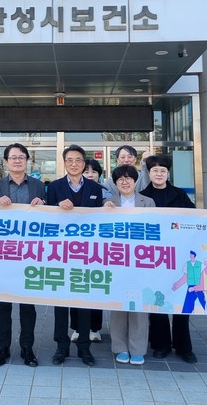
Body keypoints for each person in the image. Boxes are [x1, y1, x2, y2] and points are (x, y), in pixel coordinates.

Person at [0, 143, 45, 367]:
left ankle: (27, 348)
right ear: (6, 162)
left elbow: (49, 218)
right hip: (3, 254)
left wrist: (43, 204)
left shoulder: (39, 186)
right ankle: (3, 348)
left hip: (30, 254)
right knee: (2, 305)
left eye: (22, 157)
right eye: (13, 157)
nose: (17, 160)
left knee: (28, 305)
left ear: (27, 160)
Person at [47, 145, 104, 367]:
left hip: (86, 255)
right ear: (64, 163)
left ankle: (84, 347)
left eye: (78, 160)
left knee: (84, 301)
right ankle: (61, 347)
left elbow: (100, 218)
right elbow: (45, 217)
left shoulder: (95, 187)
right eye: (69, 160)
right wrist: (56, 206)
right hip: (60, 254)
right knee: (60, 302)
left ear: (84, 163)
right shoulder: (54, 187)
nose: (74, 164)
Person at [140, 153, 198, 364]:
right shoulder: (142, 197)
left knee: (181, 300)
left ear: (168, 173)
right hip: (153, 257)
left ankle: (183, 346)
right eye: (155, 170)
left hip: (178, 254)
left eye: (162, 170)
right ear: (149, 173)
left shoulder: (179, 194)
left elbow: (194, 217)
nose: (159, 174)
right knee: (157, 300)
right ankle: (161, 344)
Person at [104, 164, 155, 366]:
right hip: (116, 261)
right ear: (115, 183)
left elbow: (156, 229)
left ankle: (138, 349)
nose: (124, 182)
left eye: (128, 178)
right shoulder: (108, 203)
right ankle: (120, 347)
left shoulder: (148, 202)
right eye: (120, 179)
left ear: (135, 181)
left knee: (139, 308)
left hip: (141, 262)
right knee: (118, 306)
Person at [66, 158, 110, 345]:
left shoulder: (103, 191)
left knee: (95, 288)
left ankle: (95, 328)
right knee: (75, 286)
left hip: (96, 249)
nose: (90, 174)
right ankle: (76, 328)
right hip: (73, 248)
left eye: (94, 171)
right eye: (87, 171)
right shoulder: (70, 189)